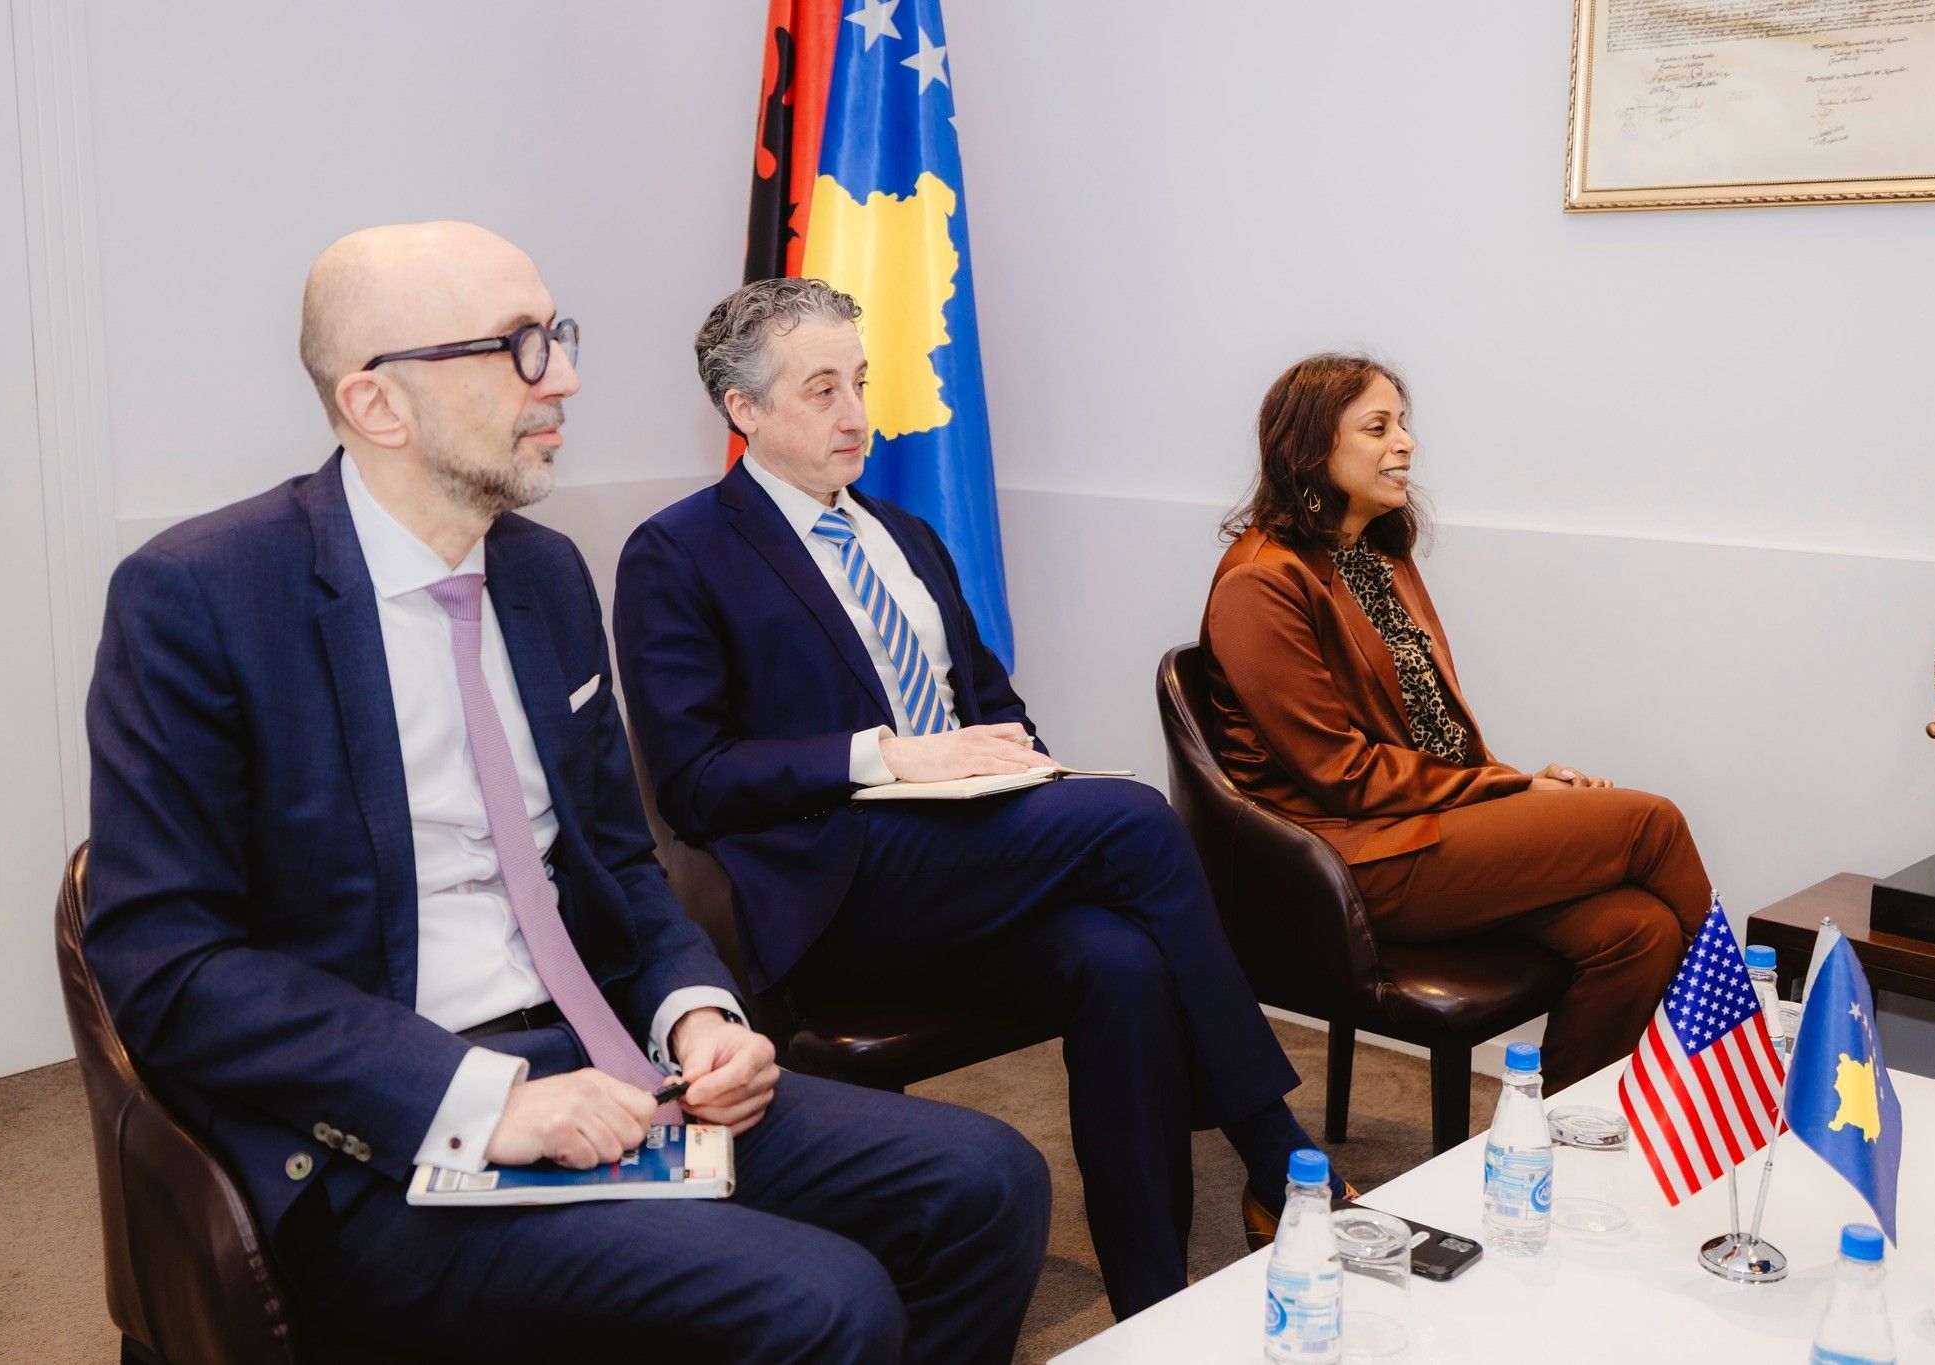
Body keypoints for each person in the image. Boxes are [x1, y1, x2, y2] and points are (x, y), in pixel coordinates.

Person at [83, 224, 1050, 1364]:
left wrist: (695, 1011)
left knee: (988, 1180)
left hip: (606, 1054)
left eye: (558, 335)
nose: (566, 377)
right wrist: (478, 1097)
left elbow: (618, 861)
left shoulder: (544, 573)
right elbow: (169, 963)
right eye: (518, 346)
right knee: (825, 1302)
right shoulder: (200, 597)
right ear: (377, 403)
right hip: (383, 1125)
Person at [615, 277, 1334, 1318]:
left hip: (961, 858)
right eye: (821, 390)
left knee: (1121, 960)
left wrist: (1023, 780)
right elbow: (694, 781)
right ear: (744, 408)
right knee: (1134, 818)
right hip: (836, 881)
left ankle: (1151, 1307)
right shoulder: (679, 551)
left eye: (860, 382)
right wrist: (883, 757)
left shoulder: (904, 534)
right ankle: (1275, 1151)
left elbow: (995, 708)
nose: (856, 413)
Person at [1201, 352, 1713, 1094]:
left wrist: (1515, 783)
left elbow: (1432, 732)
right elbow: (1342, 773)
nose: (1405, 443)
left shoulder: (1376, 556)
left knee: (1641, 932)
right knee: (1650, 823)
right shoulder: (1260, 581)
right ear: (1310, 447)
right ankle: (1746, 1041)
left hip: (1419, 825)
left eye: (1403, 424)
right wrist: (1509, 792)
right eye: (1378, 427)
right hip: (1344, 856)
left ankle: (1566, 1135)